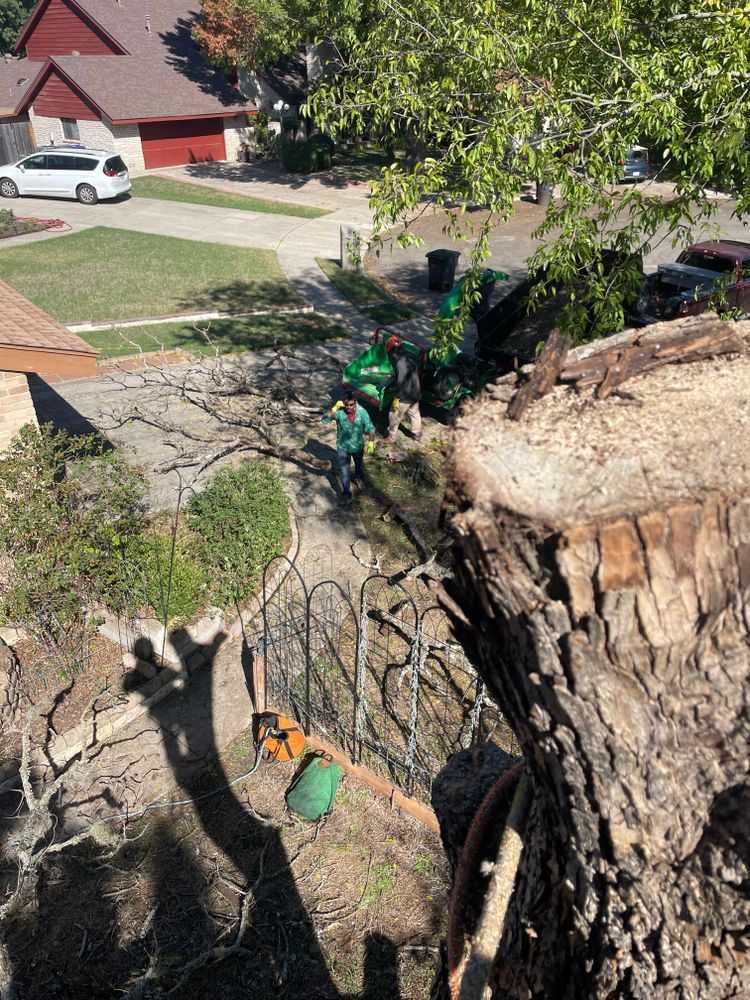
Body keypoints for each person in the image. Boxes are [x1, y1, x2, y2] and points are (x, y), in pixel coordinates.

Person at [322, 391, 376, 501]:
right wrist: (335, 408)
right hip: (343, 447)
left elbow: (371, 428)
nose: (349, 407)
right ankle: (346, 493)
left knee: (359, 465)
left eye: (351, 404)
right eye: (346, 404)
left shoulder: (362, 412)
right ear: (343, 403)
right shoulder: (339, 412)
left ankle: (358, 478)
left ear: (355, 403)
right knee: (345, 471)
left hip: (358, 446)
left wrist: (371, 442)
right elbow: (324, 420)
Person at [385, 336, 422, 441]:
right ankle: (417, 434)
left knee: (393, 414)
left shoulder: (400, 363)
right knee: (414, 412)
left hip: (405, 395)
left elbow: (401, 383)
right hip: (416, 391)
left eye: (391, 353)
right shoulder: (411, 355)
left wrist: (397, 397)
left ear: (394, 351)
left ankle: (391, 438)